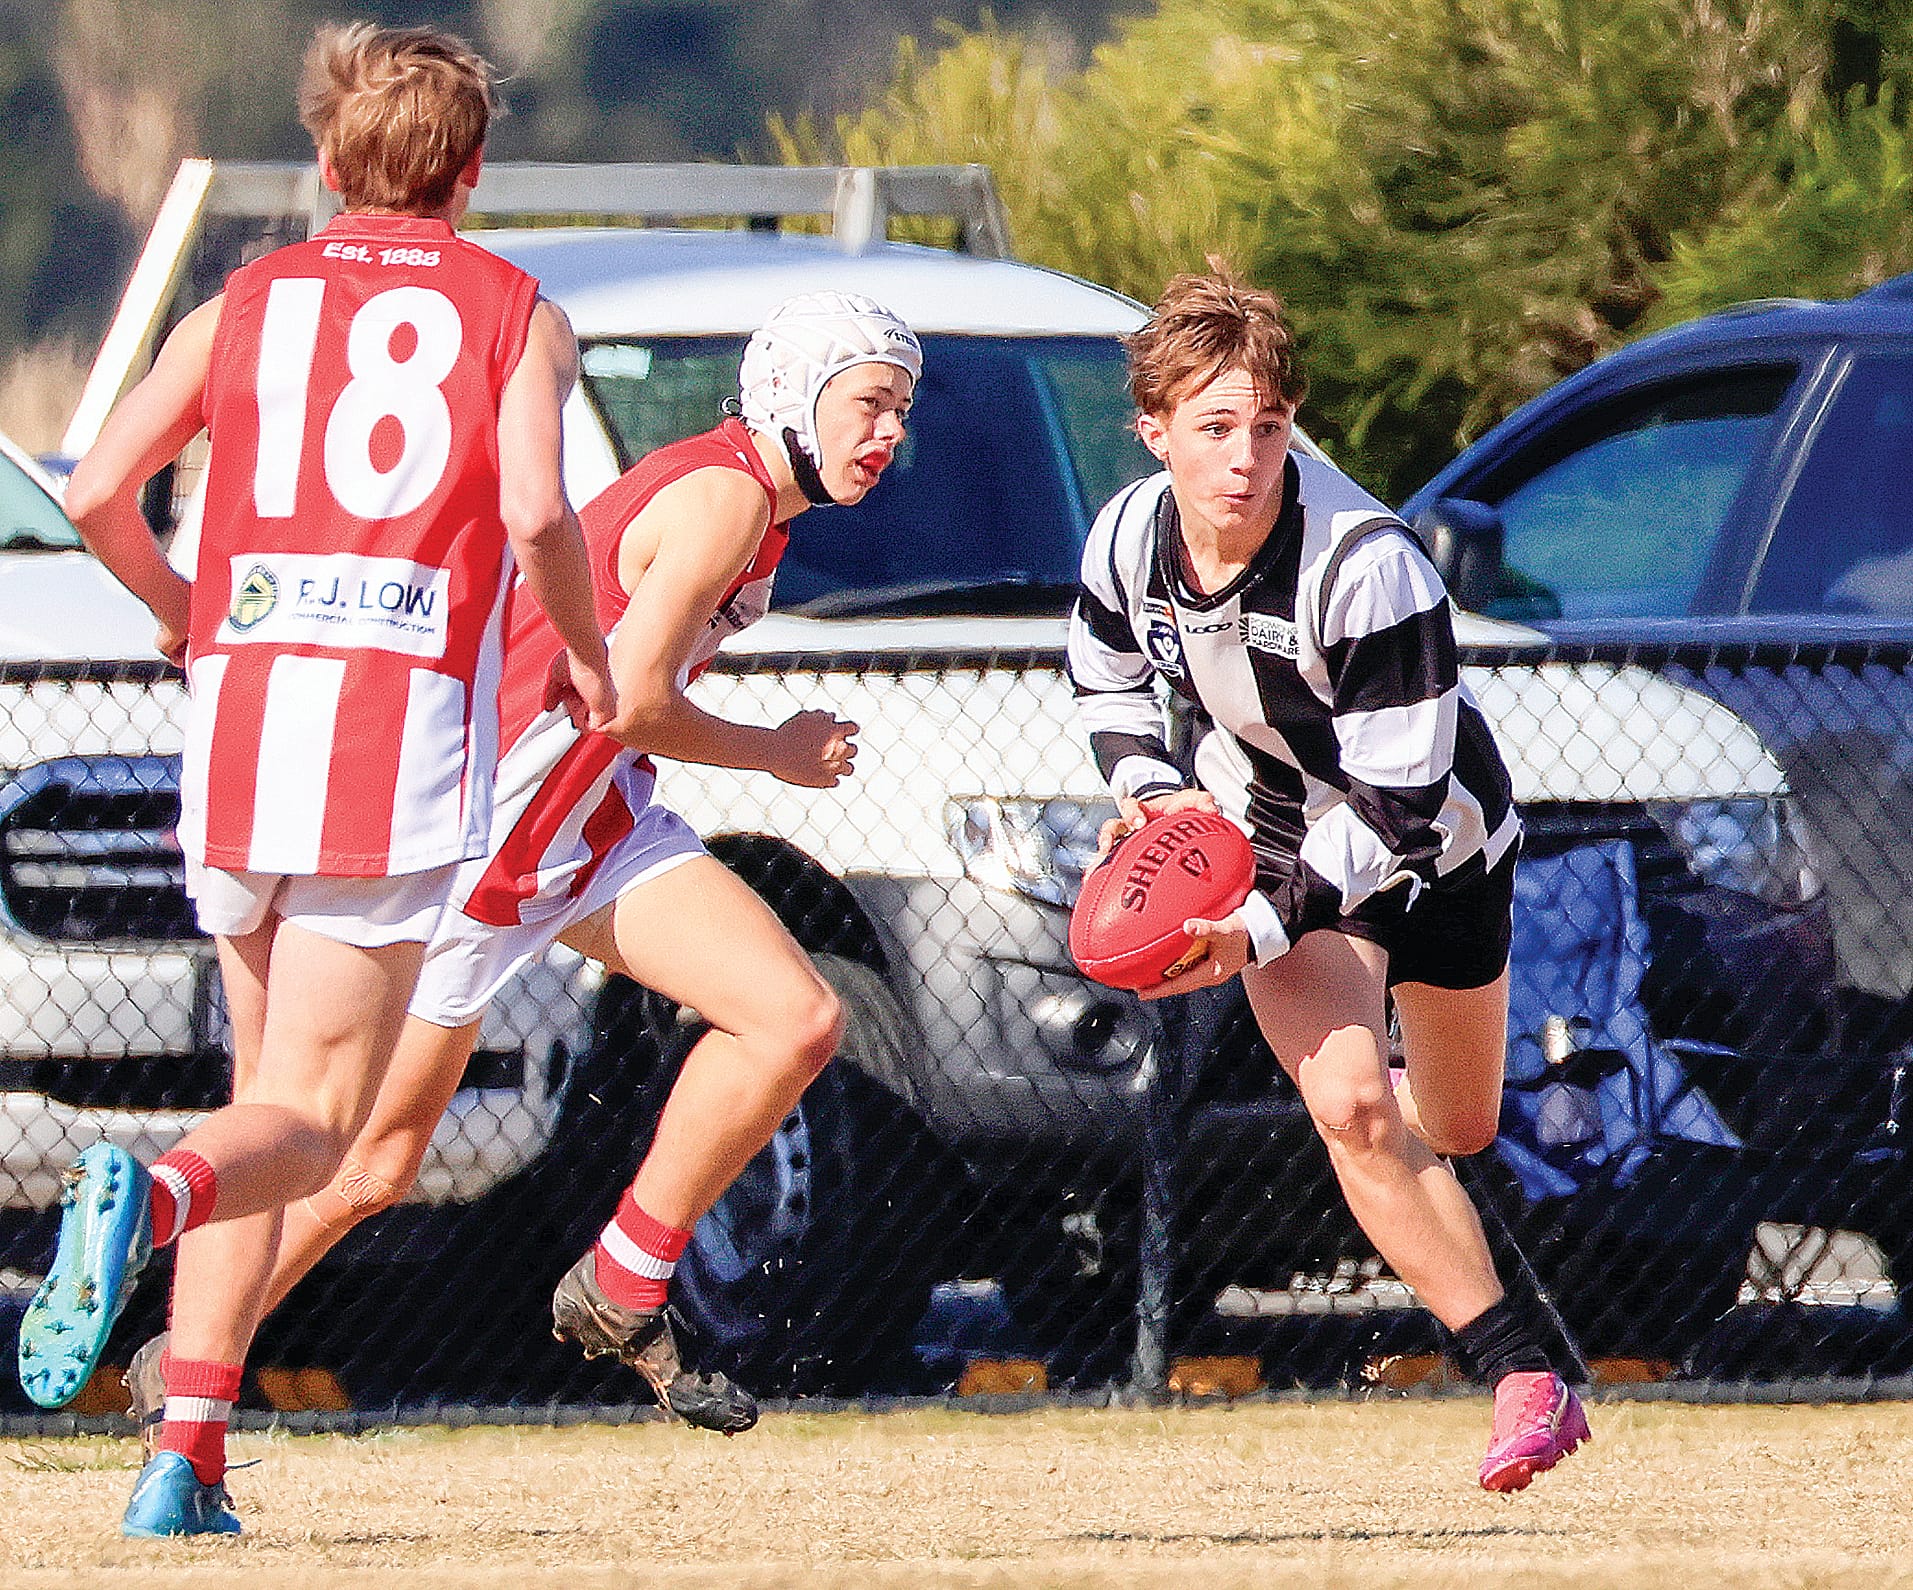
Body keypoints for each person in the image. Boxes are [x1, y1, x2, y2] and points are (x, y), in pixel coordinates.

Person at [119, 291, 922, 1443]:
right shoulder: (725, 497)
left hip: (591, 823)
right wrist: (775, 752)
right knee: (364, 1159)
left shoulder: (749, 505)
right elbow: (631, 700)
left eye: (901, 409)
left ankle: (624, 1276)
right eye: (869, 402)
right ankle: (172, 1307)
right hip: (495, 833)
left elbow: (618, 710)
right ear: (793, 392)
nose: (888, 432)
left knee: (792, 1018)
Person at [21, 24, 616, 1537]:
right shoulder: (515, 312)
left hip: (241, 724)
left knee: (261, 1097)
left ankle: (185, 1459)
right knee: (317, 1120)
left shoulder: (245, 302)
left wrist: (180, 608)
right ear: (470, 172)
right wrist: (587, 646)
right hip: (387, 742)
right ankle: (149, 1196)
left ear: (329, 160)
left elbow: (97, 489)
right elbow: (538, 506)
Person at [1066, 265, 1589, 1492]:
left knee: (1457, 1127)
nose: (1243, 457)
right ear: (1152, 430)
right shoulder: (1128, 536)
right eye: (1212, 427)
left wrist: (1251, 929)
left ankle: (1402, 1114)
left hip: (1435, 844)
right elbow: (1102, 675)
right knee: (1351, 1107)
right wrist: (1155, 795)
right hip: (1269, 831)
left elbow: (1395, 807)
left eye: (1267, 425)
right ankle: (1524, 1378)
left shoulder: (1366, 561)